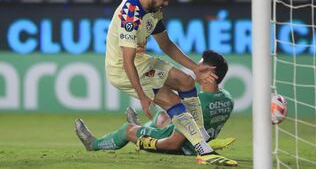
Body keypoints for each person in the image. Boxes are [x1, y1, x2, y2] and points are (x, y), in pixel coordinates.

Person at [77, 0, 237, 166]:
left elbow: (166, 45)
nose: (167, 3)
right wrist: (142, 96)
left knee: (186, 80)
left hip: (141, 62)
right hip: (123, 70)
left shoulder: (153, 9)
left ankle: (199, 137)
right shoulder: (131, 14)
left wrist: (194, 68)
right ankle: (202, 148)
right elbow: (127, 61)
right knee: (171, 100)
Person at [75, 50, 235, 159]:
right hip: (198, 140)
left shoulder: (199, 103)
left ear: (211, 73)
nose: (195, 70)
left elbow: (174, 143)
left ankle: (93, 144)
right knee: (162, 116)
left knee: (127, 130)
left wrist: (148, 142)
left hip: (184, 147)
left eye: (200, 68)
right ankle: (141, 127)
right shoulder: (227, 98)